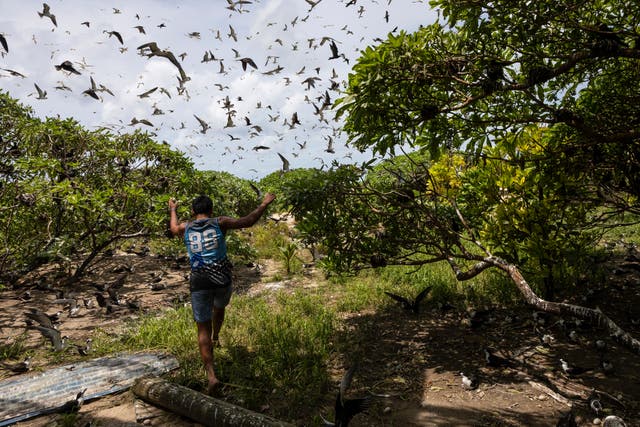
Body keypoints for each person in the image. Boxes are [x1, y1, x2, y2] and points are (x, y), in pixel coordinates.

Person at [168, 192, 276, 394]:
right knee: (219, 307)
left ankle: (211, 376)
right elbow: (248, 221)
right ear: (211, 211)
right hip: (222, 278)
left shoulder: (186, 227)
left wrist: (172, 209)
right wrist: (263, 204)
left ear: (193, 211)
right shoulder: (220, 222)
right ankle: (216, 336)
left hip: (199, 280)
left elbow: (173, 229)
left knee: (202, 328)